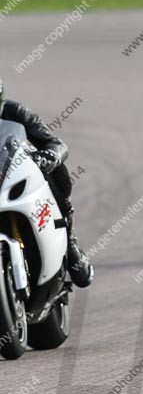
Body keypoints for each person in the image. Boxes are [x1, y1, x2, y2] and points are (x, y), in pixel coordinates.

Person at [0, 79, 94, 287]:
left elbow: (57, 143)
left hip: (11, 175)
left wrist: (49, 156)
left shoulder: (15, 112)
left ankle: (68, 239)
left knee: (52, 166)